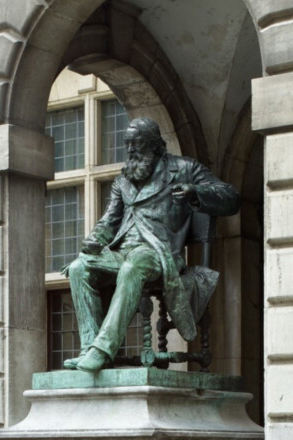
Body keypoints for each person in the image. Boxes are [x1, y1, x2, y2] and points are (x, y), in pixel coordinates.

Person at [62, 117, 240, 372]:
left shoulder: (185, 168)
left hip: (160, 251)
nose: (131, 150)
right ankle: (89, 347)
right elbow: (109, 222)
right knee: (79, 267)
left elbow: (231, 197)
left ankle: (103, 349)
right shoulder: (123, 179)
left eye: (138, 143)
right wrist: (94, 240)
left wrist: (194, 192)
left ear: (156, 145)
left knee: (133, 267)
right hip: (122, 249)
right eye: (128, 144)